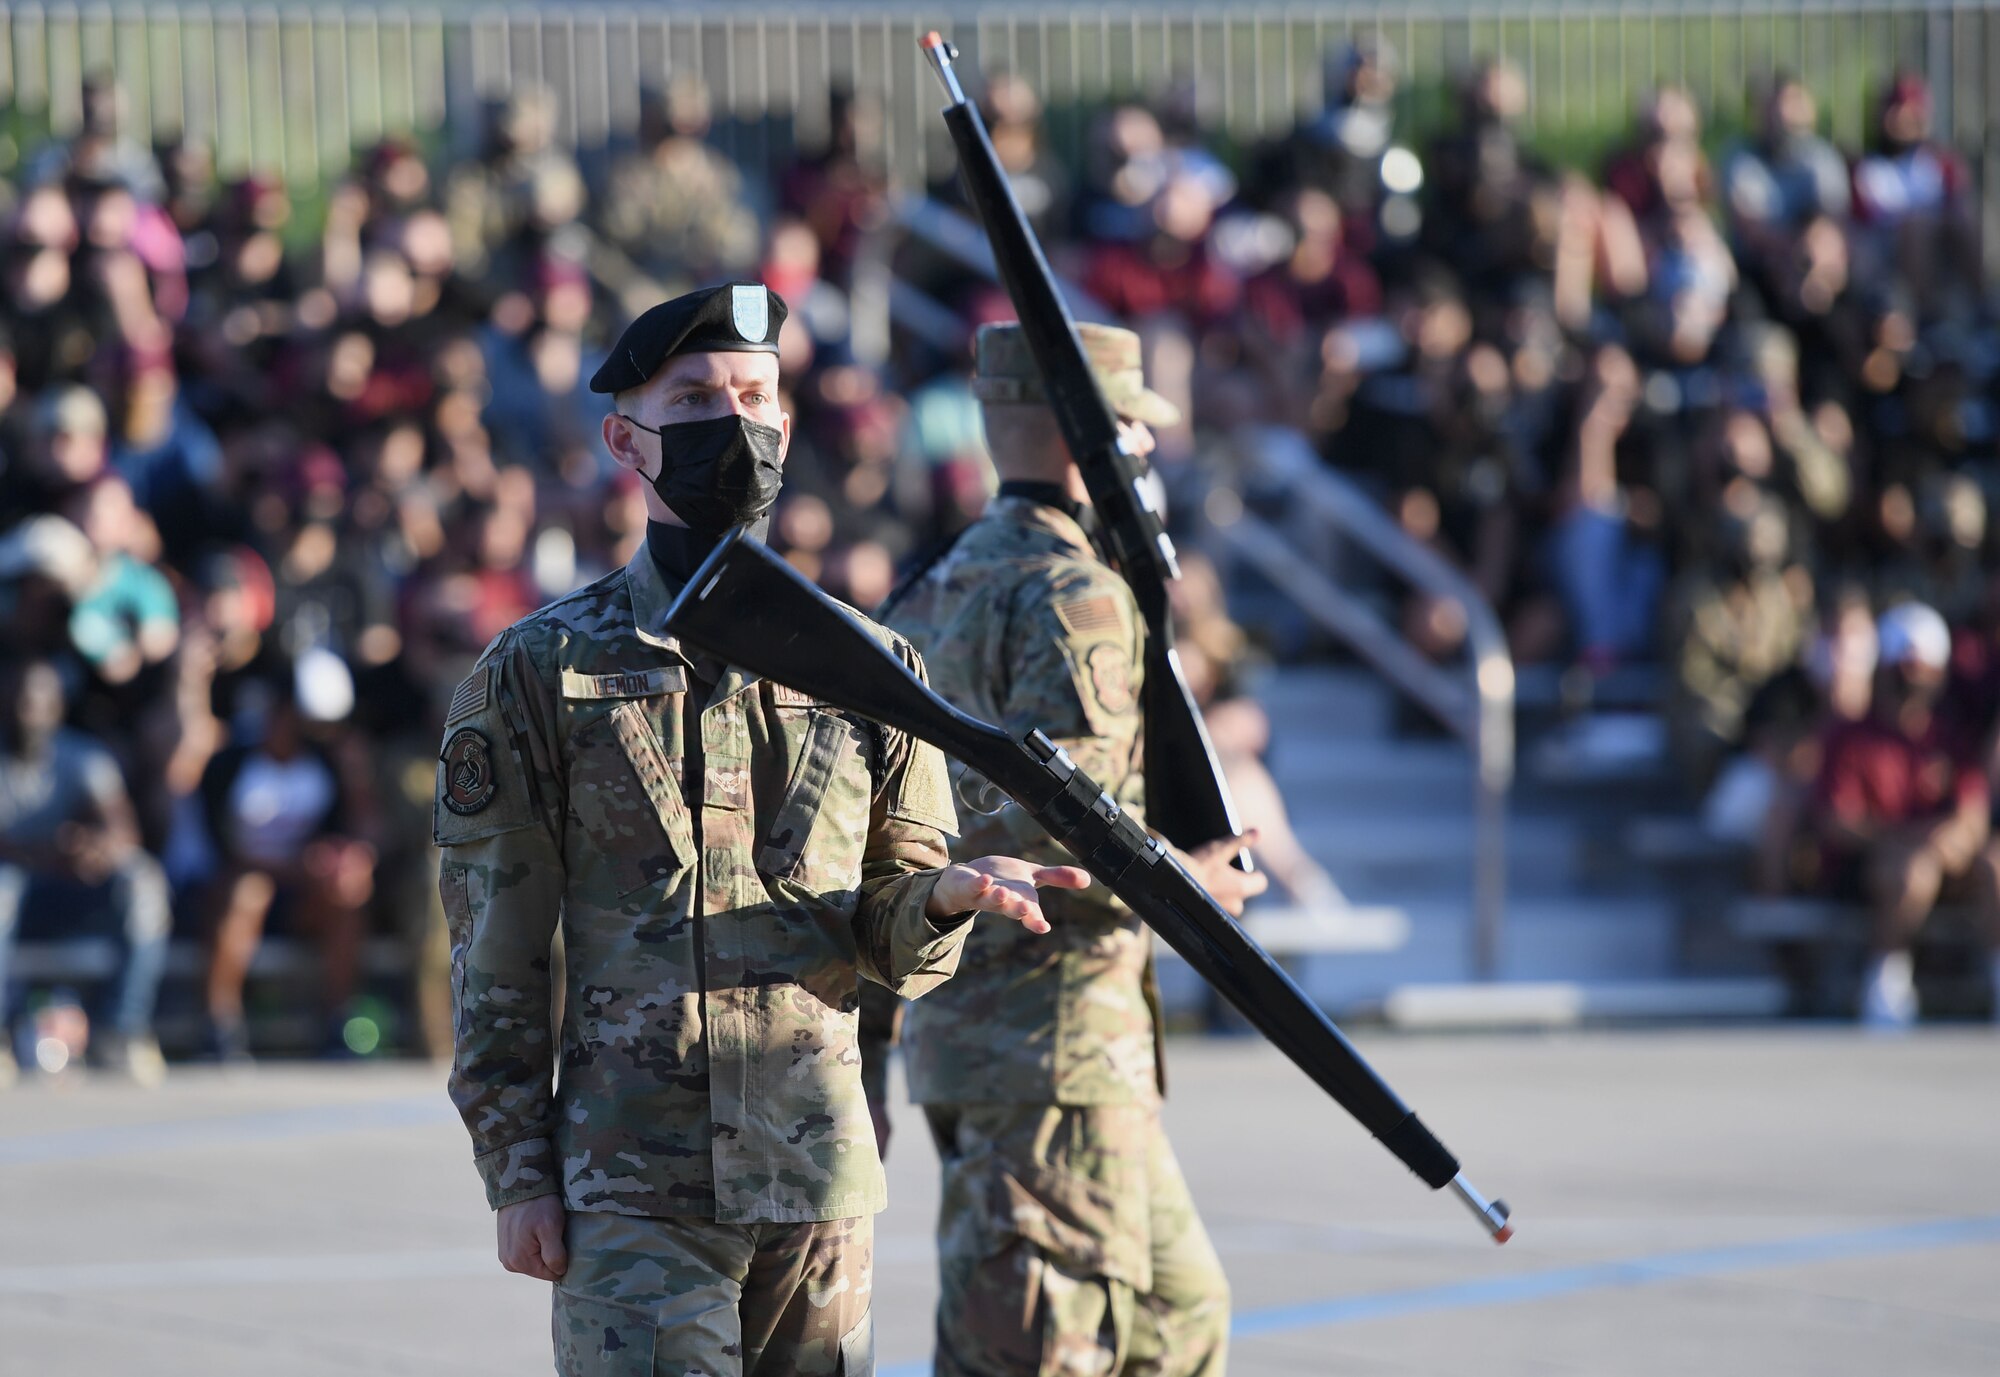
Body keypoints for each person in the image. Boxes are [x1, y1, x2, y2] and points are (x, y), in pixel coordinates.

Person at [435, 282, 1088, 1377]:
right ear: (625, 442)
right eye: (691, 399)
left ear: (785, 428)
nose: (729, 422)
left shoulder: (875, 669)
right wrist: (517, 1172)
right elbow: (494, 948)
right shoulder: (541, 671)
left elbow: (890, 933)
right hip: (632, 1181)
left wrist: (944, 899)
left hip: (817, 1179)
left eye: (751, 396)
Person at [882, 322, 1266, 1377]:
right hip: (1052, 1043)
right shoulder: (1074, 590)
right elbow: (1070, 820)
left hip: (987, 1033)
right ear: (1090, 441)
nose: (1148, 453)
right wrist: (1187, 879)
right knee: (1041, 1352)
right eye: (1134, 431)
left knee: (1178, 1316)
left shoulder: (931, 582)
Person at [1807, 602, 2000, 1026]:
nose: (1911, 687)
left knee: (1995, 863)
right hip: (1872, 869)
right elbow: (1836, 821)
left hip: (1946, 860)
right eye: (1902, 674)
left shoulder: (1951, 736)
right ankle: (1885, 981)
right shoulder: (1852, 736)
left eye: (1922, 674)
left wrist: (1951, 839)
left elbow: (1972, 812)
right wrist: (1902, 840)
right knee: (1911, 871)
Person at [0, 657, 170, 1086]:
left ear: (58, 706)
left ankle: (121, 1031)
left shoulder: (82, 757)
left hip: (71, 891)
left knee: (142, 880)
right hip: (16, 888)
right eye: (19, 697)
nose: (28, 708)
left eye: (38, 699)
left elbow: (122, 828)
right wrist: (45, 852)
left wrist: (95, 847)